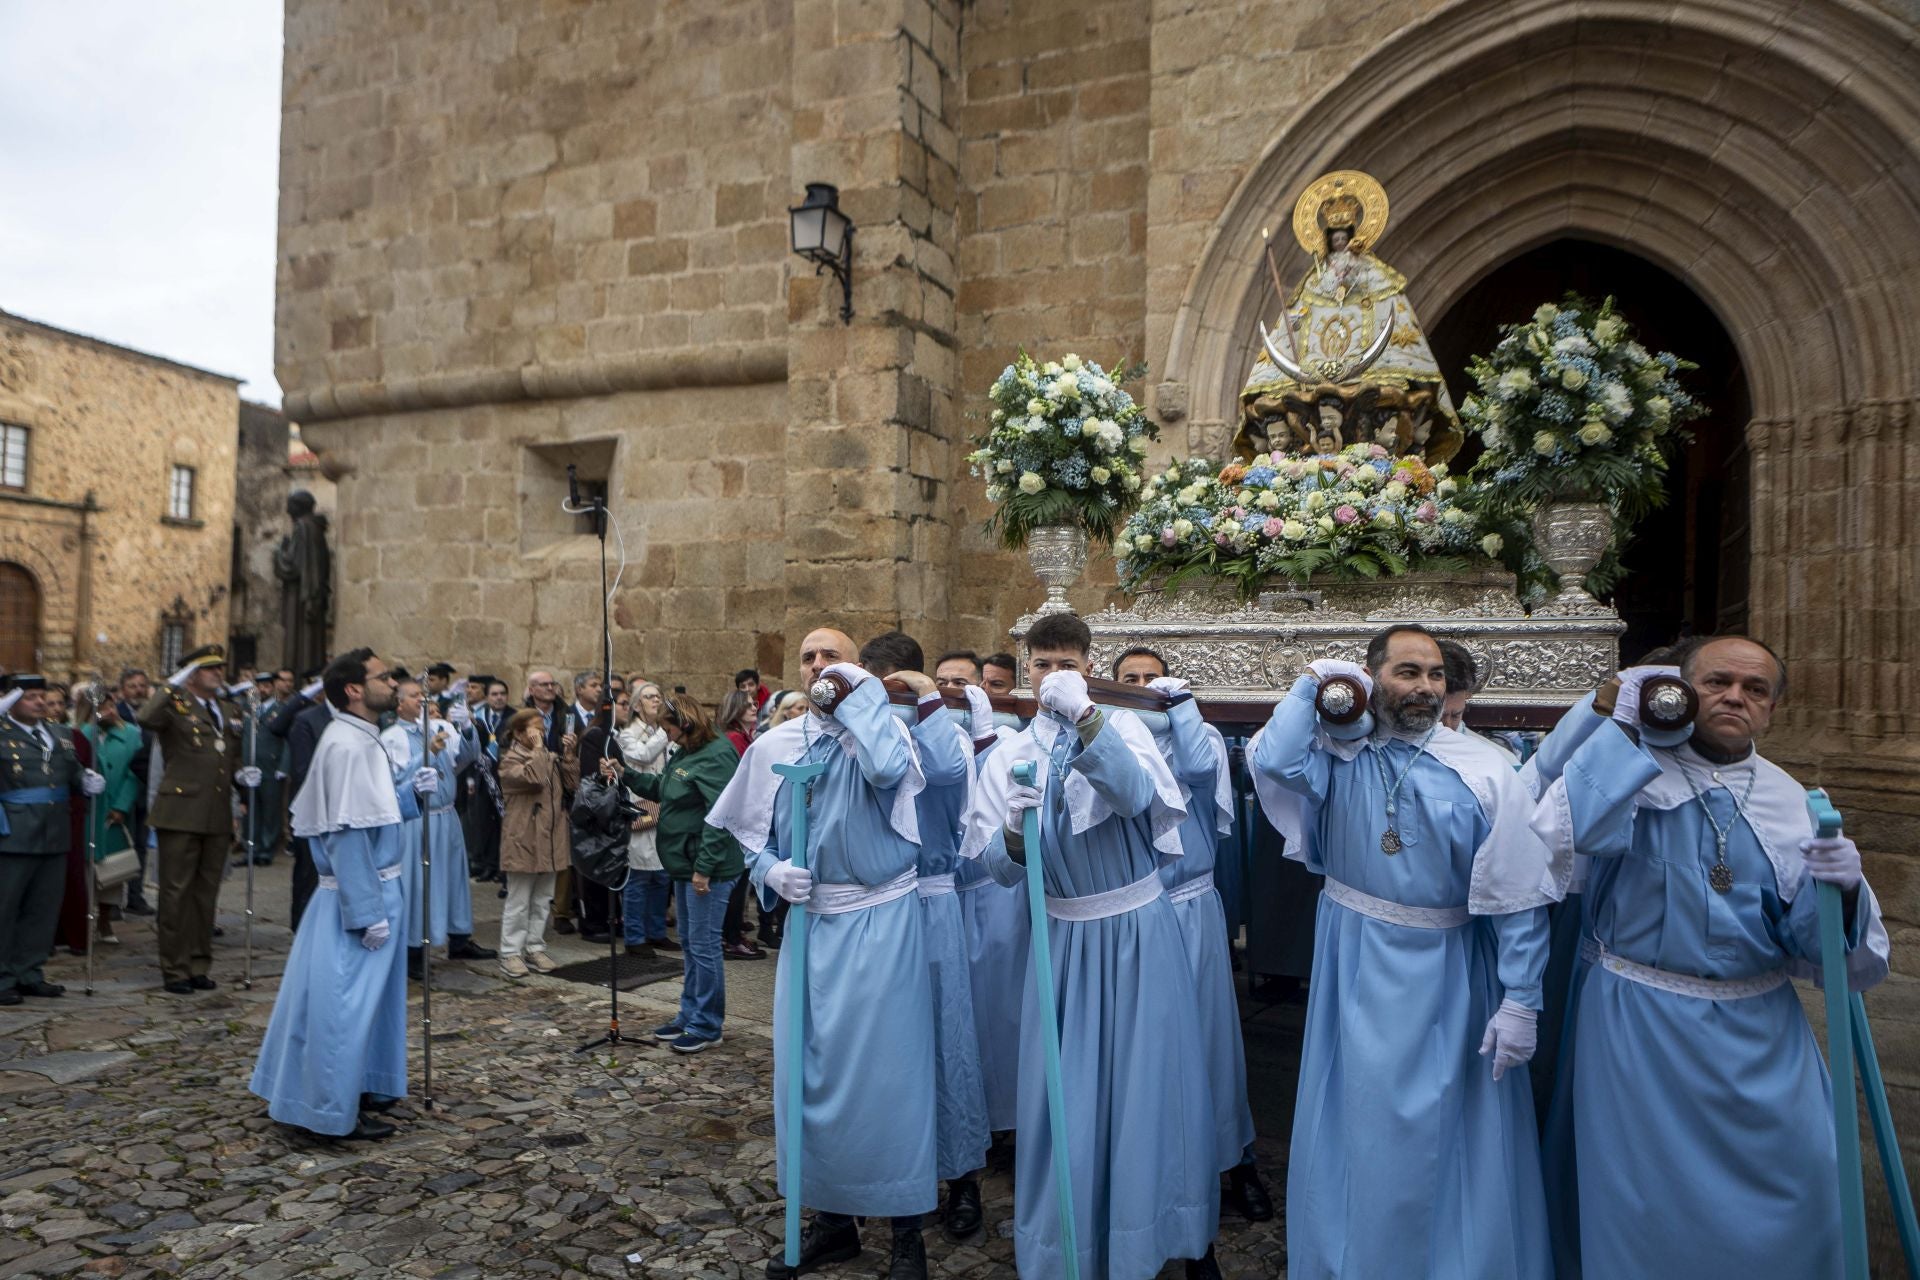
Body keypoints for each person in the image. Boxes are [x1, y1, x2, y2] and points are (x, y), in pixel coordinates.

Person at [1533, 638, 1889, 1278]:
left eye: (1755, 689)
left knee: (1801, 1176)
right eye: (1717, 682)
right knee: (1641, 1203)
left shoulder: (1792, 803)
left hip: (1759, 1035)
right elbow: (1569, 833)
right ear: (1681, 689)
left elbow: (1819, 952)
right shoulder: (1630, 770)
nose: (1736, 697)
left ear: (1773, 709)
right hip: (1638, 1027)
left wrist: (1841, 890)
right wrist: (1624, 719)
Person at [1247, 624, 1562, 1279]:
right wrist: (1315, 684)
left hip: (1446, 969)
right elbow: (1273, 761)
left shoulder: (1486, 769)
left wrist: (1522, 998)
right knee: (1354, 1120)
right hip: (1352, 958)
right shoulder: (1338, 754)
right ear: (1373, 678)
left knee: (1439, 1131)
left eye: (1435, 676)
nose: (1423, 687)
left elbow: (1518, 893)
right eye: (1407, 672)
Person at [960, 612, 1222, 1280]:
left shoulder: (1127, 726)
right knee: (1066, 1095)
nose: (1052, 676)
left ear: (1087, 667)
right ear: (1025, 670)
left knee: (1148, 1084)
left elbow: (1136, 795)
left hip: (1135, 933)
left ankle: (1167, 1233)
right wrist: (1016, 830)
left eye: (1065, 664)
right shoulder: (1005, 753)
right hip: (1061, 941)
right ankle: (1069, 1244)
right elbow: (995, 869)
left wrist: (1088, 722)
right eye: (1042, 664)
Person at [707, 627, 938, 1280]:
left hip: (880, 922)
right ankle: (831, 1221)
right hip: (812, 928)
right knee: (808, 1081)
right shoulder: (779, 743)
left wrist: (857, 702)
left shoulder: (885, 732)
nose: (817, 666)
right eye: (808, 658)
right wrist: (772, 872)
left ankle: (905, 1234)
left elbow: (890, 772)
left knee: (890, 1082)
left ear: (858, 670)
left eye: (831, 656)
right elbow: (750, 837)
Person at [1112, 646, 1272, 1225]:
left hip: (1187, 905)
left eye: (1151, 678)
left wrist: (1177, 706)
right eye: (1130, 680)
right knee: (1144, 1044)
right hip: (1129, 915)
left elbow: (1203, 772)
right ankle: (1151, 1166)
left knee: (1210, 1038)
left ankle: (1236, 1159)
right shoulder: (1109, 740)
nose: (1142, 686)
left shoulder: (1195, 735)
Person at [249, 648, 413, 1141]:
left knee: (355, 1002)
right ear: (355, 690)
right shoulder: (348, 745)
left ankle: (357, 1086)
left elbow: (372, 813)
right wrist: (366, 912)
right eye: (384, 677)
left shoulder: (360, 737)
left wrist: (409, 796)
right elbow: (344, 835)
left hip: (368, 887)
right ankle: (326, 1106)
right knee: (342, 1005)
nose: (394, 683)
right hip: (357, 897)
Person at [861, 630, 991, 1242]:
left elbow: (944, 771)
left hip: (932, 901)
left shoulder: (944, 726)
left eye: (888, 685)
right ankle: (880, 1170)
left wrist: (927, 700)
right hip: (869, 906)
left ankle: (962, 1178)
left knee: (948, 1039)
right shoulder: (860, 727)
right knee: (883, 1047)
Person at [604, 693, 743, 1052]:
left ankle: (708, 1024)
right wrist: (625, 774)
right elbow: (664, 789)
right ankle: (689, 1013)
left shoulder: (716, 756)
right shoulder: (686, 752)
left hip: (705, 867)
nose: (665, 734)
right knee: (690, 944)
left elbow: (720, 816)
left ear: (685, 724)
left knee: (704, 946)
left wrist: (705, 868)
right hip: (684, 863)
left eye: (668, 727)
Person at [139, 645, 254, 995]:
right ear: (191, 675)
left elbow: (229, 757)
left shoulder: (227, 709)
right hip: (180, 811)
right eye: (209, 669)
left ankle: (198, 963)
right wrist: (172, 685)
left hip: (217, 813)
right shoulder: (174, 706)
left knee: (206, 894)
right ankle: (175, 969)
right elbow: (145, 718)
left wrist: (243, 779)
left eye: (220, 667)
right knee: (176, 894)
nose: (218, 673)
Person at [950, 683, 1025, 1153]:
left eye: (964, 682)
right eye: (944, 681)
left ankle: (1012, 1120)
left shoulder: (1002, 741)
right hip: (940, 896)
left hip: (990, 891)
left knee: (1003, 1013)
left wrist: (983, 743)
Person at [382, 678, 494, 979]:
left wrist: (468, 727)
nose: (421, 699)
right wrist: (427, 753)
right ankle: (414, 950)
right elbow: (396, 779)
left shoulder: (437, 727)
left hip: (447, 814)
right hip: (418, 817)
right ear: (399, 703)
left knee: (454, 876)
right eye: (414, 695)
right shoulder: (392, 737)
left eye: (423, 695)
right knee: (420, 882)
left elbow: (467, 758)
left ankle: (459, 936)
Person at [0, 675, 101, 1005]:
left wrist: (86, 779)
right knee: (7, 907)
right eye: (31, 696)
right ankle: (3, 976)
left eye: (41, 696)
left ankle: (30, 971)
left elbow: (71, 771)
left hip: (55, 830)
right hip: (14, 830)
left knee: (43, 907)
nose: (40, 702)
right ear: (11, 700)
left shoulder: (61, 734)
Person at [496, 707, 579, 977]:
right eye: (535, 729)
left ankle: (534, 946)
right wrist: (539, 748)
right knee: (519, 899)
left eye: (542, 729)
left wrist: (567, 757)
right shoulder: (510, 761)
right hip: (524, 838)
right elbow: (533, 778)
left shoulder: (546, 757)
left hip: (550, 836)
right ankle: (510, 952)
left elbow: (572, 784)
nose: (541, 733)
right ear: (519, 733)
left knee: (543, 898)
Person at [269, 669, 332, 930]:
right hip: (311, 806)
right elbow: (276, 726)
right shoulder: (308, 718)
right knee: (308, 871)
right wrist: (305, 694)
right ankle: (303, 926)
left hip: (342, 808)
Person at [82, 691, 145, 946]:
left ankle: (106, 919)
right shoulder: (81, 732)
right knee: (86, 867)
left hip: (116, 811)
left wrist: (122, 805)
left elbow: (136, 772)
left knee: (112, 866)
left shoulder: (131, 734)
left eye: (111, 704)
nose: (109, 710)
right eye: (102, 706)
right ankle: (83, 917)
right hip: (89, 811)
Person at [617, 683, 675, 953]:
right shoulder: (627, 734)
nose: (656, 700)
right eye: (650, 697)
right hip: (640, 807)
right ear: (637, 705)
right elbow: (642, 755)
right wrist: (665, 733)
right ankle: (634, 938)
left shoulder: (665, 733)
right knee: (639, 879)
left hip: (663, 809)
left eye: (658, 696)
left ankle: (656, 931)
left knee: (662, 877)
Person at [717, 689, 767, 960]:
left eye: (754, 703)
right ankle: (729, 937)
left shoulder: (744, 736)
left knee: (741, 881)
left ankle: (733, 933)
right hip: (738, 820)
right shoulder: (734, 739)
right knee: (736, 883)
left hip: (746, 817)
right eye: (747, 705)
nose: (753, 708)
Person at [112, 668, 157, 917]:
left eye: (142, 685)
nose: (138, 690)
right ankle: (113, 900)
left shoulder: (154, 714)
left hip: (146, 788)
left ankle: (136, 896)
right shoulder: (116, 714)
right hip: (122, 788)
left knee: (141, 844)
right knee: (119, 845)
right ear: (122, 690)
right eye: (132, 686)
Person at [1437, 639, 1519, 765]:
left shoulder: (1502, 762)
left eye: (1455, 716)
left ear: (1468, 695)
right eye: (1438, 717)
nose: (1447, 727)